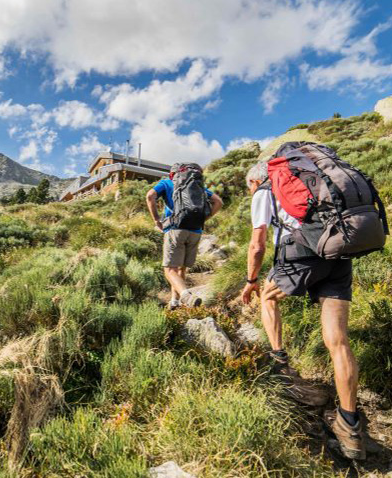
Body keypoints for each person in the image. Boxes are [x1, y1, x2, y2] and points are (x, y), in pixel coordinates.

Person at [240, 161, 365, 460]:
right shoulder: (315, 183)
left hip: (302, 253)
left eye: (248, 189)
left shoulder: (264, 190)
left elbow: (257, 244)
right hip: (338, 249)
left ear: (254, 182)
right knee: (337, 339)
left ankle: (279, 361)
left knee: (267, 297)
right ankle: (350, 426)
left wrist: (250, 281)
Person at [146, 163, 223, 309]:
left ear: (172, 175)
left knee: (170, 269)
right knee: (181, 269)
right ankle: (175, 301)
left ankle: (185, 295)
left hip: (175, 229)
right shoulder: (197, 186)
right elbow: (218, 201)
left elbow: (150, 196)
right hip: (195, 231)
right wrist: (204, 219)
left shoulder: (167, 183)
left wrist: (156, 220)